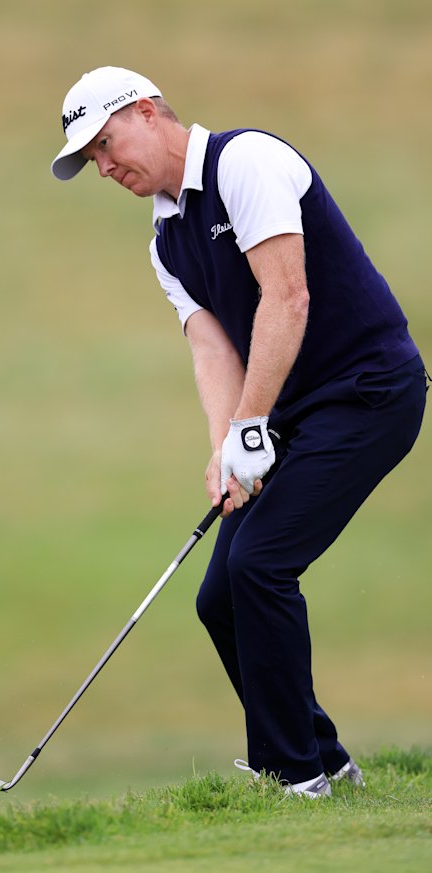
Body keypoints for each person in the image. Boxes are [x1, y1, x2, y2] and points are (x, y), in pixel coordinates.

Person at [51, 66, 427, 797]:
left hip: (370, 392)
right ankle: (327, 759)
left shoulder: (245, 161)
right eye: (91, 158)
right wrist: (227, 445)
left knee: (259, 566)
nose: (104, 165)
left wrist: (252, 426)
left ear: (148, 110)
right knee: (218, 596)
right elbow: (211, 345)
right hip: (290, 413)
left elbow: (287, 298)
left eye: (104, 142)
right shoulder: (166, 239)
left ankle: (293, 775)